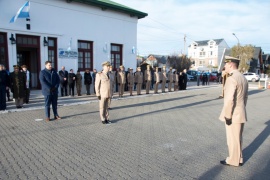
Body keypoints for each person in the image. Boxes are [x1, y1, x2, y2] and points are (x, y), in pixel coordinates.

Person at [219, 56, 248, 167]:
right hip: (240, 112)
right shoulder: (242, 77)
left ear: (230, 64)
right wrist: (241, 109)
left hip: (233, 114)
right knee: (237, 138)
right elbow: (245, 97)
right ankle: (238, 158)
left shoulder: (231, 78)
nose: (224, 66)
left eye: (226, 64)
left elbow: (229, 100)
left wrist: (228, 115)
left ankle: (232, 160)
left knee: (232, 139)